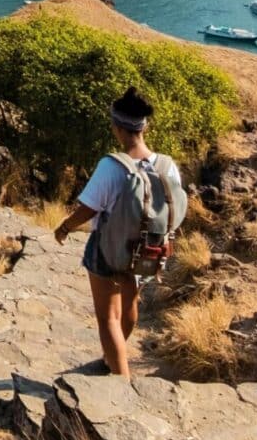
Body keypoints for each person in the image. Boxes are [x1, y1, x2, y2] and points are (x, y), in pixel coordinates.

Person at [54, 87, 182, 378]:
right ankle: (115, 356)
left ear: (115, 126)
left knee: (107, 316)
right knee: (130, 303)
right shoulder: (167, 165)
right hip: (147, 249)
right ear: (145, 126)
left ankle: (121, 382)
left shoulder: (112, 166)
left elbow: (88, 209)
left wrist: (64, 228)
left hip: (108, 250)